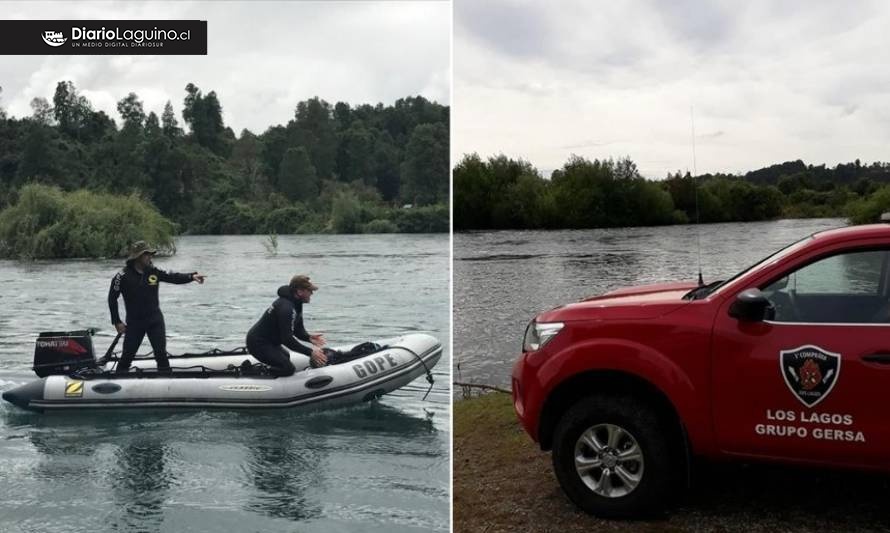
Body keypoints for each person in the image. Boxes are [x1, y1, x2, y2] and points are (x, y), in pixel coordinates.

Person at [108, 241, 206, 373]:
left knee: (161, 354)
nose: (150, 257)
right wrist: (117, 321)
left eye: (151, 254)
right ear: (137, 257)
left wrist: (191, 276)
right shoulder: (121, 276)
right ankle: (118, 381)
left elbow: (172, 277)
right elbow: (112, 298)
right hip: (135, 323)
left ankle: (166, 383)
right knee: (127, 356)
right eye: (146, 254)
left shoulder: (154, 272)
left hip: (155, 320)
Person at [246, 275, 327, 376]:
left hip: (270, 342)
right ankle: (253, 373)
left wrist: (308, 337)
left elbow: (297, 330)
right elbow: (287, 339)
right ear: (300, 291)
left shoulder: (296, 303)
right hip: (258, 343)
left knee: (285, 356)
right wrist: (310, 352)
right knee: (288, 368)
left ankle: (268, 372)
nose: (312, 293)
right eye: (309, 290)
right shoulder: (286, 308)